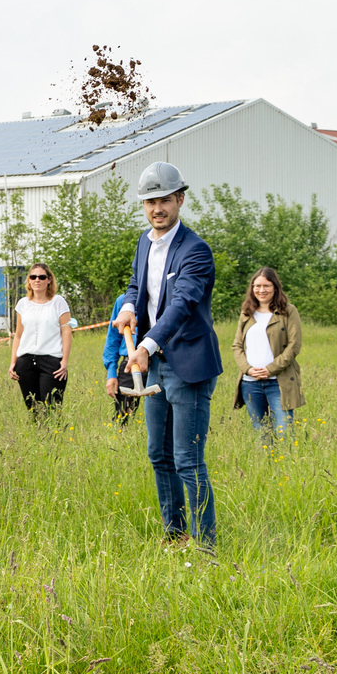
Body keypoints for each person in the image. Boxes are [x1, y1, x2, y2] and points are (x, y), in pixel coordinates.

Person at [114, 161, 223, 552]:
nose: (156, 208)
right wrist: (129, 307)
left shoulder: (196, 251)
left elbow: (181, 304)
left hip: (188, 364)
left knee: (187, 460)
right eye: (149, 201)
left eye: (163, 200)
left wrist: (145, 345)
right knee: (158, 455)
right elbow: (135, 286)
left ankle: (207, 547)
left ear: (180, 199)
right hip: (154, 361)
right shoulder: (145, 243)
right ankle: (176, 535)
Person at [231, 267, 303, 436]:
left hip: (278, 383)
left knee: (284, 433)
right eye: (257, 286)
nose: (261, 290)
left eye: (266, 286)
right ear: (252, 288)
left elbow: (294, 346)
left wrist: (270, 369)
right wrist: (247, 369)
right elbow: (237, 346)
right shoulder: (247, 312)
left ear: (275, 287)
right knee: (262, 434)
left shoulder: (288, 311)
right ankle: (267, 463)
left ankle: (286, 463)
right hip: (250, 383)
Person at [7, 262, 74, 412]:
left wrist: (64, 361)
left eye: (42, 277)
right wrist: (13, 362)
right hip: (26, 362)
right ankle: (37, 435)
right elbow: (18, 335)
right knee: (33, 409)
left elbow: (66, 332)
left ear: (49, 280)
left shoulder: (58, 302)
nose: (37, 280)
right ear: (29, 280)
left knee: (52, 409)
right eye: (33, 276)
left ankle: (53, 435)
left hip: (51, 361)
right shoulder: (23, 304)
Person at [101, 292, 140, 425]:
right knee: (122, 417)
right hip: (129, 362)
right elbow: (113, 339)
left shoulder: (165, 297)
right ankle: (122, 442)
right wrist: (111, 373)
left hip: (159, 360)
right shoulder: (123, 301)